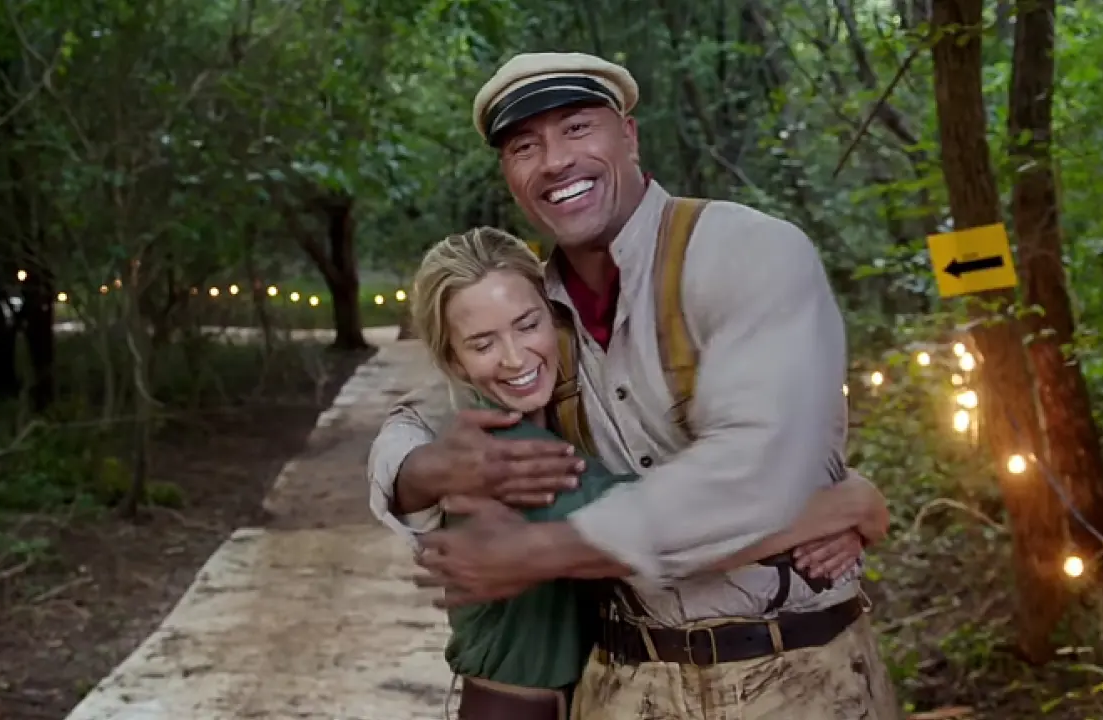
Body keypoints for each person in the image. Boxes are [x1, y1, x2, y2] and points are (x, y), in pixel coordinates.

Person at [369, 51, 900, 719]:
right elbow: (423, 417)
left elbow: (753, 478)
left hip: (798, 676)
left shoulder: (745, 251)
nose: (555, 161)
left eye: (577, 127)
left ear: (629, 135)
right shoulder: (533, 312)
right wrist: (429, 469)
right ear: (510, 176)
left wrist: (540, 551)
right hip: (627, 683)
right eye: (525, 146)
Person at [400, 226, 889, 719]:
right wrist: (849, 505)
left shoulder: (567, 421)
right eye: (482, 344)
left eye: (527, 325)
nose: (514, 357)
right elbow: (687, 530)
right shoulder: (505, 458)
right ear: (455, 361)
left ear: (555, 317)